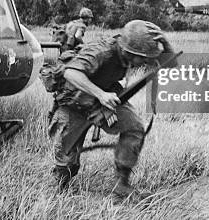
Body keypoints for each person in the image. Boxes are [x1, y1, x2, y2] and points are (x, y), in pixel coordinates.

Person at [48, 20, 176, 198]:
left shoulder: (131, 53)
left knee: (134, 128)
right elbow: (71, 73)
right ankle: (59, 190)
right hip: (74, 102)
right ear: (127, 52)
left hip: (105, 97)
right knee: (67, 161)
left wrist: (165, 42)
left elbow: (170, 64)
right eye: (143, 57)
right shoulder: (102, 51)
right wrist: (100, 94)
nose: (146, 61)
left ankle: (121, 185)